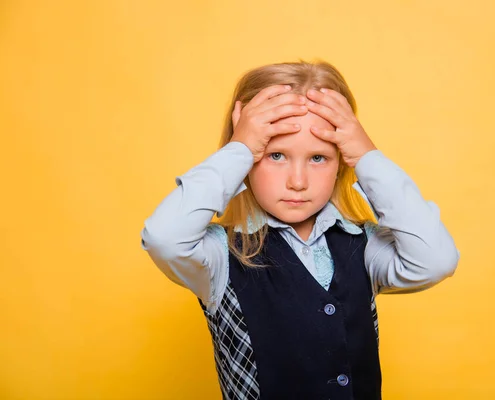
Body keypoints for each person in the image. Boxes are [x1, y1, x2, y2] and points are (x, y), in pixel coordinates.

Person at [141, 60, 460, 400]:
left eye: (318, 158)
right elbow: (163, 237)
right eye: (276, 155)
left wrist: (368, 158)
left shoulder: (362, 245)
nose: (298, 182)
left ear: (342, 164)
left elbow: (436, 260)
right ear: (246, 165)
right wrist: (240, 149)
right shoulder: (219, 256)